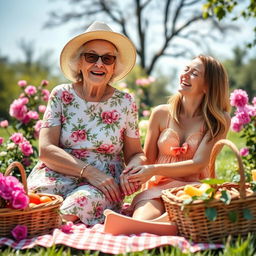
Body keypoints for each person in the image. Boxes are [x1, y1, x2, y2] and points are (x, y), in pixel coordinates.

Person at [27, 21, 145, 226]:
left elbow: (135, 153)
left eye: (107, 58)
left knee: (77, 204)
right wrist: (90, 172)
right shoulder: (61, 94)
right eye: (91, 57)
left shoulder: (125, 102)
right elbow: (46, 150)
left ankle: (46, 227)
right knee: (35, 202)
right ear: (80, 62)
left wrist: (134, 168)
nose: (99, 64)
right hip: (58, 172)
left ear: (113, 66)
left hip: (104, 185)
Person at [103, 54, 231, 233]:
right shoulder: (161, 113)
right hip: (158, 187)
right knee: (143, 217)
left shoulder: (217, 120)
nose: (185, 75)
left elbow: (198, 164)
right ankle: (160, 226)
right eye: (186, 69)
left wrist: (154, 170)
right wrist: (131, 174)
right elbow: (147, 160)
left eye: (194, 73)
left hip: (195, 190)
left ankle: (154, 226)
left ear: (208, 85)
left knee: (182, 214)